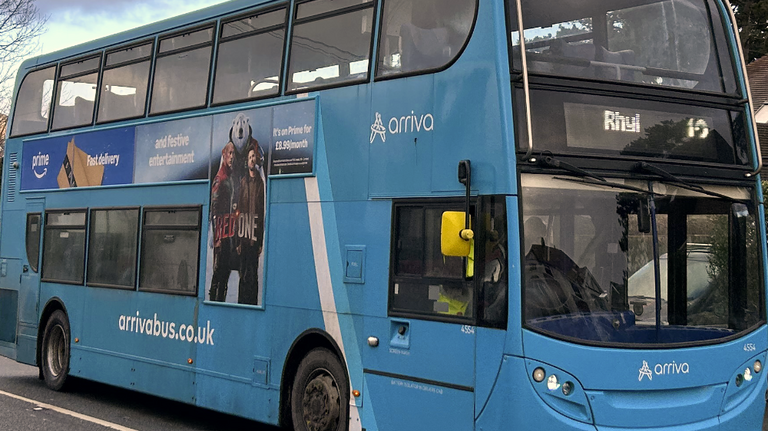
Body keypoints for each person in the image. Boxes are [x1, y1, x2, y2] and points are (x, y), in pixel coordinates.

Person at [236, 143, 265, 305]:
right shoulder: (242, 183)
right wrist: (238, 241)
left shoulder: (260, 183)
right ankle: (242, 304)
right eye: (249, 157)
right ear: (247, 162)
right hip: (243, 235)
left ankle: (252, 304)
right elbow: (239, 210)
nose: (252, 159)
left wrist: (260, 241)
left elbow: (260, 214)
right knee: (243, 274)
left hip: (254, 236)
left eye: (254, 156)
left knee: (253, 274)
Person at [209, 142, 236, 302]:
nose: (232, 157)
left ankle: (220, 300)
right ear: (223, 154)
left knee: (225, 272)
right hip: (221, 233)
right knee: (219, 271)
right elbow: (214, 209)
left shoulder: (230, 176)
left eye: (233, 153)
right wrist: (217, 236)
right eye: (229, 153)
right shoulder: (220, 178)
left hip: (227, 233)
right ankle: (214, 300)